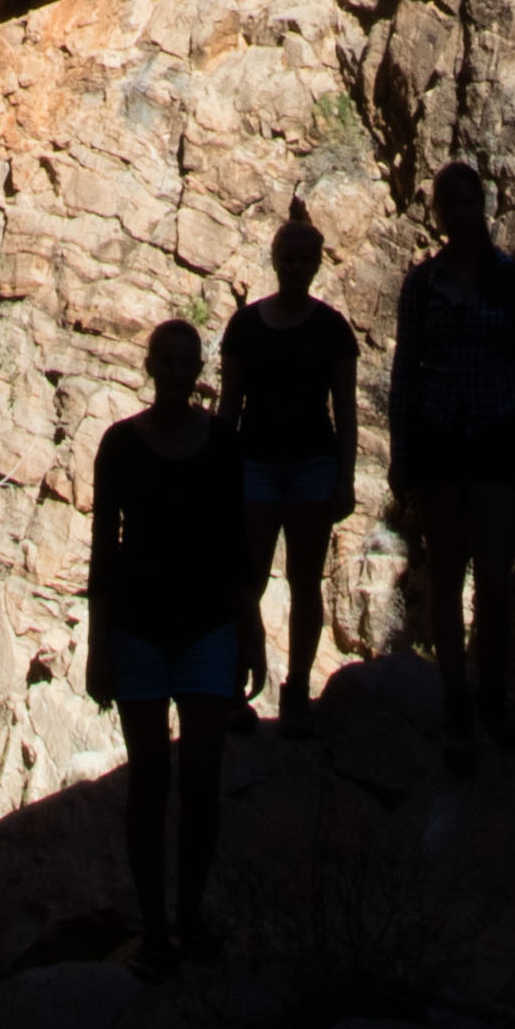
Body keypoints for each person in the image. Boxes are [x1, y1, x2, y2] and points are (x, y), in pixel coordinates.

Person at [83, 317, 256, 975]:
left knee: (203, 781)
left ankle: (191, 917)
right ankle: (155, 931)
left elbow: (237, 547)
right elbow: (104, 549)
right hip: (138, 628)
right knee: (150, 780)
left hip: (209, 625)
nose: (178, 373)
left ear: (199, 371)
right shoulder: (120, 446)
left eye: (189, 362)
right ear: (150, 365)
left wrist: (251, 633)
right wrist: (97, 645)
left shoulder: (223, 446)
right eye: (168, 361)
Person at [392, 163, 515, 764]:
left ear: (481, 207)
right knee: (446, 573)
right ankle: (457, 702)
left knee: (495, 577)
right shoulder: (422, 285)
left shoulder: (510, 280)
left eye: (467, 203)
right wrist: (401, 450)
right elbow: (406, 370)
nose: (458, 215)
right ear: (438, 214)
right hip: (439, 436)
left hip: (496, 435)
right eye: (448, 205)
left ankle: (493, 697)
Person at [217, 205, 363, 709]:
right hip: (254, 465)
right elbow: (229, 407)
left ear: (317, 264)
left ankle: (297, 687)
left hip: (312, 467)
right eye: (289, 257)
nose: (297, 267)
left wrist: (345, 478)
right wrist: (219, 472)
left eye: (305, 259)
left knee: (305, 581)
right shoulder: (244, 327)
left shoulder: (333, 329)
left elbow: (346, 410)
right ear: (275, 260)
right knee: (247, 580)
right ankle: (235, 684)